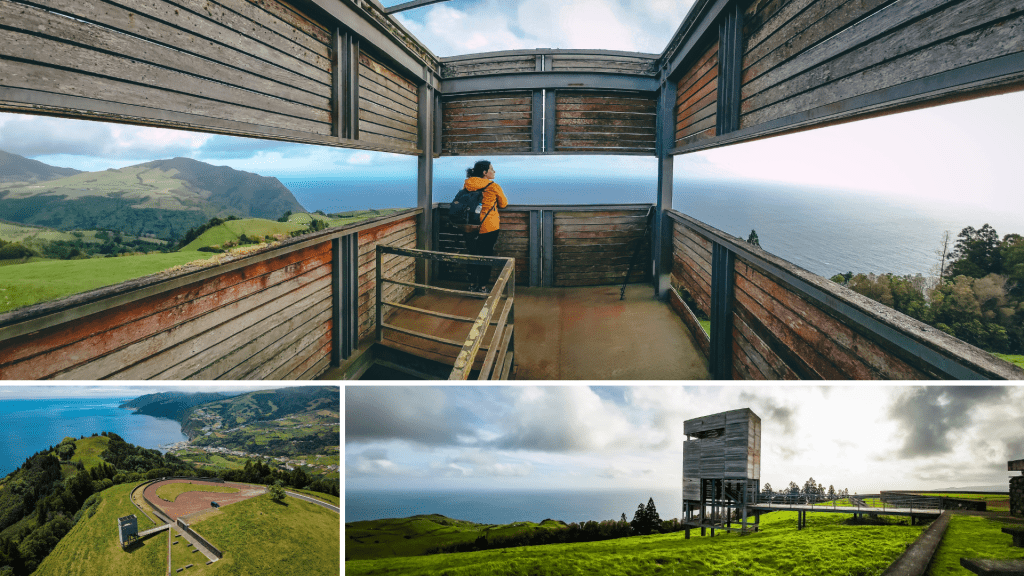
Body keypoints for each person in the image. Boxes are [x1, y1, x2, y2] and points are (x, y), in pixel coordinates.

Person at [463, 160, 508, 292]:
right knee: (486, 256)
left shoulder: (467, 184)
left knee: (473, 254)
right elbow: (503, 203)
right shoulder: (493, 186)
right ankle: (482, 287)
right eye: (492, 169)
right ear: (484, 172)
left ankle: (472, 285)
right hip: (488, 226)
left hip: (470, 225)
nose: (494, 172)